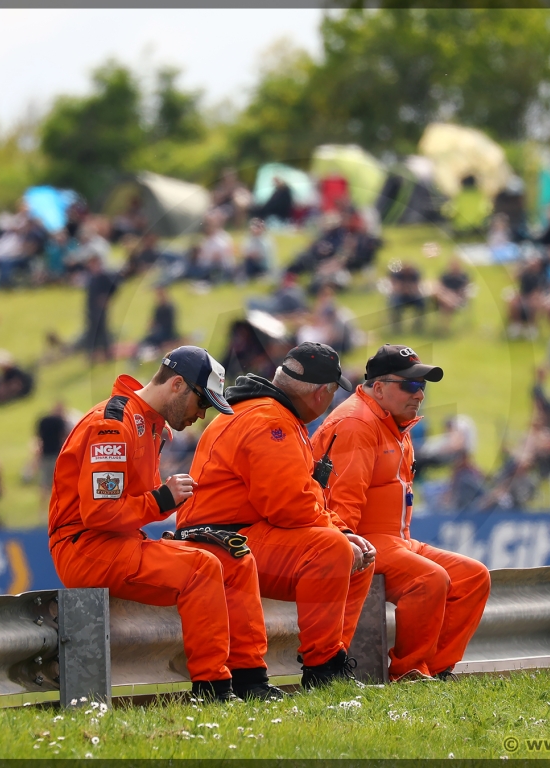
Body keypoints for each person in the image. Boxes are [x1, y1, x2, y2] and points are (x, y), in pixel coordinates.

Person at [49, 347, 267, 702]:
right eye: (203, 404)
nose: (202, 415)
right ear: (178, 385)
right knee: (201, 567)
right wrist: (163, 501)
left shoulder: (149, 425)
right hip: (84, 547)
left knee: (236, 560)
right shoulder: (113, 424)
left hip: (117, 542)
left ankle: (252, 680)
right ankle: (213, 689)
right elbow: (99, 514)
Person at [176, 342, 377, 690]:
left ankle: (332, 661)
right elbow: (289, 506)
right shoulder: (271, 420)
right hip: (222, 537)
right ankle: (324, 670)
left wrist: (342, 530)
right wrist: (338, 535)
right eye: (331, 395)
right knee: (331, 549)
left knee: (356, 554)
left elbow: (304, 497)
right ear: (321, 394)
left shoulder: (272, 413)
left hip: (238, 531)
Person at [313, 344, 490, 681]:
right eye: (409, 385)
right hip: (362, 543)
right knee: (429, 578)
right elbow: (340, 507)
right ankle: (409, 672)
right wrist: (345, 549)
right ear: (378, 388)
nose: (419, 394)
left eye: (421, 386)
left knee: (473, 577)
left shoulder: (394, 422)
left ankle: (435, 672)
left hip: (397, 542)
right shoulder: (355, 424)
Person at [36, 402, 70, 517]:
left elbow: (39, 439)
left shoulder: (43, 421)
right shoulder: (60, 422)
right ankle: (58, 509)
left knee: (44, 484)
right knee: (58, 483)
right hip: (57, 455)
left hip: (45, 455)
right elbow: (64, 437)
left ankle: (42, 511)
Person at [84, 254, 118, 365]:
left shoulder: (103, 276)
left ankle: (107, 354)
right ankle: (92, 355)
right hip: (91, 309)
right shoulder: (91, 277)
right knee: (92, 331)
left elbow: (114, 288)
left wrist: (107, 298)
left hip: (100, 310)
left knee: (102, 331)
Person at [135, 287, 180, 361]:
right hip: (159, 332)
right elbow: (153, 321)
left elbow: (169, 324)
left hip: (167, 332)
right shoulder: (158, 308)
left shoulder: (169, 308)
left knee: (150, 341)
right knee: (145, 341)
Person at [388, 263, 427, 333]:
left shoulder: (415, 275)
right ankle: (397, 326)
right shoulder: (397, 275)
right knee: (395, 303)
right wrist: (406, 288)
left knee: (421, 303)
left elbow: (416, 287)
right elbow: (395, 288)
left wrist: (409, 289)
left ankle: (418, 325)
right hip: (400, 296)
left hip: (412, 296)